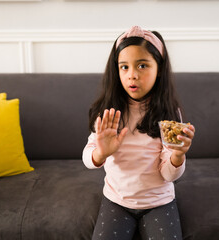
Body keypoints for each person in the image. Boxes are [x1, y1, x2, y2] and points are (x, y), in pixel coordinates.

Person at [82, 26, 195, 240]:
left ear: (159, 68)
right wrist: (101, 153)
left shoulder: (169, 113)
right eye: (124, 67)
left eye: (142, 65)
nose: (132, 75)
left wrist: (178, 156)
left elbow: (168, 175)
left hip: (159, 202)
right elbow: (88, 156)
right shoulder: (107, 111)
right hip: (117, 200)